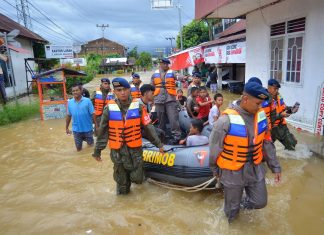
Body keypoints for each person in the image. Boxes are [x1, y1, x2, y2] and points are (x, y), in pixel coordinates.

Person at [209, 81, 281, 223]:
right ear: (246, 99)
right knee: (232, 213)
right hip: (232, 172)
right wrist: (215, 171)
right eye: (258, 103)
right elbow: (214, 148)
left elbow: (267, 143)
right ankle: (232, 217)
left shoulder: (261, 117)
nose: (260, 107)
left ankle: (238, 203)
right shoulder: (224, 121)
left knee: (260, 201)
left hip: (255, 167)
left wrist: (275, 166)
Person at [92, 77, 164, 195]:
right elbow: (103, 132)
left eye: (125, 89)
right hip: (118, 152)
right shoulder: (108, 109)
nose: (122, 92)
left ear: (129, 90)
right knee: (122, 185)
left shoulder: (139, 107)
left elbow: (148, 127)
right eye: (119, 90)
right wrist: (97, 151)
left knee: (138, 179)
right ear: (114, 92)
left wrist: (159, 144)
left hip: (135, 150)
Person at [151, 58, 181, 145]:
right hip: (158, 99)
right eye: (163, 63)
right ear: (160, 64)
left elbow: (178, 76)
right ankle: (161, 135)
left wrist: (185, 77)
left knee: (173, 119)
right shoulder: (154, 74)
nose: (165, 65)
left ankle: (176, 136)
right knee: (161, 119)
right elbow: (151, 87)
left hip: (170, 99)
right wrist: (151, 100)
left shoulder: (173, 72)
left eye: (166, 64)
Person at [267, 79, 297, 150]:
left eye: (277, 89)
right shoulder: (265, 100)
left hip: (281, 125)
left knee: (292, 145)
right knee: (265, 152)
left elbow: (283, 107)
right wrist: (282, 115)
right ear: (269, 88)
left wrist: (291, 109)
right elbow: (270, 117)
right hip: (271, 128)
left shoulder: (279, 96)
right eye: (275, 89)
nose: (277, 91)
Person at [66, 84, 97, 151]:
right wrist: (66, 128)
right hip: (76, 130)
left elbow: (93, 114)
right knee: (78, 149)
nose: (75, 92)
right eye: (73, 91)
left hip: (88, 129)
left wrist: (96, 126)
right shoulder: (70, 102)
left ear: (81, 90)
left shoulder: (87, 101)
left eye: (77, 90)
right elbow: (68, 115)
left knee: (91, 146)